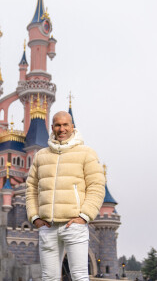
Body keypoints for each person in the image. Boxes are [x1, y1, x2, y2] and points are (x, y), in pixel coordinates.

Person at [26, 111, 106, 281]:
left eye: (65, 125)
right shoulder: (41, 156)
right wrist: (35, 217)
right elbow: (31, 188)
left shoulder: (87, 153)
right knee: (49, 277)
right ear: (52, 127)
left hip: (74, 225)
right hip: (48, 227)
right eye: (57, 125)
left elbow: (97, 186)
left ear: (72, 127)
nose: (61, 129)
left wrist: (84, 216)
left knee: (79, 276)